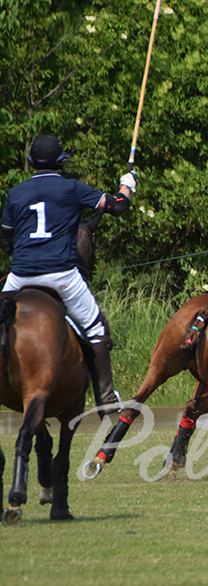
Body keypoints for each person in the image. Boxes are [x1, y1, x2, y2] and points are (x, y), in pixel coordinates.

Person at [0, 135, 136, 417]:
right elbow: (117, 206)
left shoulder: (15, 193)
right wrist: (127, 186)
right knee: (97, 329)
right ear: (61, 162)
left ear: (30, 162)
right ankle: (106, 398)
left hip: (20, 277)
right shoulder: (72, 188)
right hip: (61, 276)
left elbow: (5, 242)